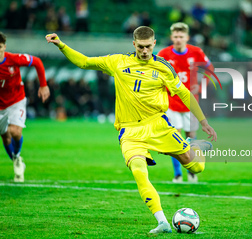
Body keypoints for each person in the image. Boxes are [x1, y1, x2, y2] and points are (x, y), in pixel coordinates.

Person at [45, 26, 217, 234]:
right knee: (138, 171)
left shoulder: (164, 67)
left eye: (148, 47)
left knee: (197, 168)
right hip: (130, 132)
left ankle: (195, 146)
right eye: (141, 47)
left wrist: (203, 121)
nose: (144, 51)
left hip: (158, 126)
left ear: (154, 44)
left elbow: (184, 94)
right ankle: (162, 222)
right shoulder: (118, 62)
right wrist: (61, 45)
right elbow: (84, 61)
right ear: (134, 44)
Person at [158, 22, 214, 183]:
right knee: (175, 138)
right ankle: (177, 174)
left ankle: (191, 171)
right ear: (171, 37)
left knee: (191, 136)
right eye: (175, 36)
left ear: (187, 38)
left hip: (190, 103)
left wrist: (201, 86)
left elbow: (210, 69)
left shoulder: (196, 52)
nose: (178, 39)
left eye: (181, 36)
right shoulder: (164, 54)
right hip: (172, 103)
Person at [0, 32, 50, 182]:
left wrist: (43, 85)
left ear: (4, 47)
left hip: (16, 101)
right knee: (4, 135)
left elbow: (37, 62)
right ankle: (16, 159)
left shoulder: (13, 59)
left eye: (0, 47)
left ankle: (16, 157)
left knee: (14, 131)